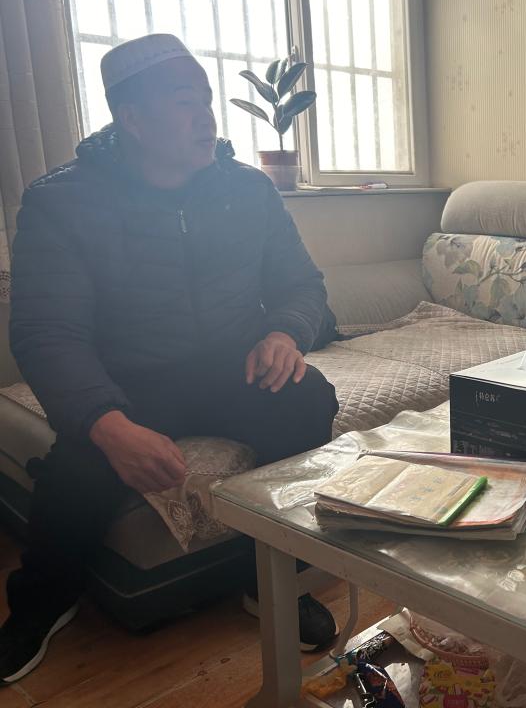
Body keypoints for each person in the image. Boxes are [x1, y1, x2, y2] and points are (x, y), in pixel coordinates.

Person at [1, 34, 342, 683]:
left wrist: (285, 334)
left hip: (235, 365)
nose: (206, 117)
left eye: (206, 100)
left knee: (307, 398)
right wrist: (107, 423)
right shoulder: (62, 201)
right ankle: (40, 604)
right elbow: (47, 333)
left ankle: (273, 578)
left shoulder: (248, 189)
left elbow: (301, 285)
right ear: (132, 118)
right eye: (185, 103)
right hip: (128, 378)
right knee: (79, 468)